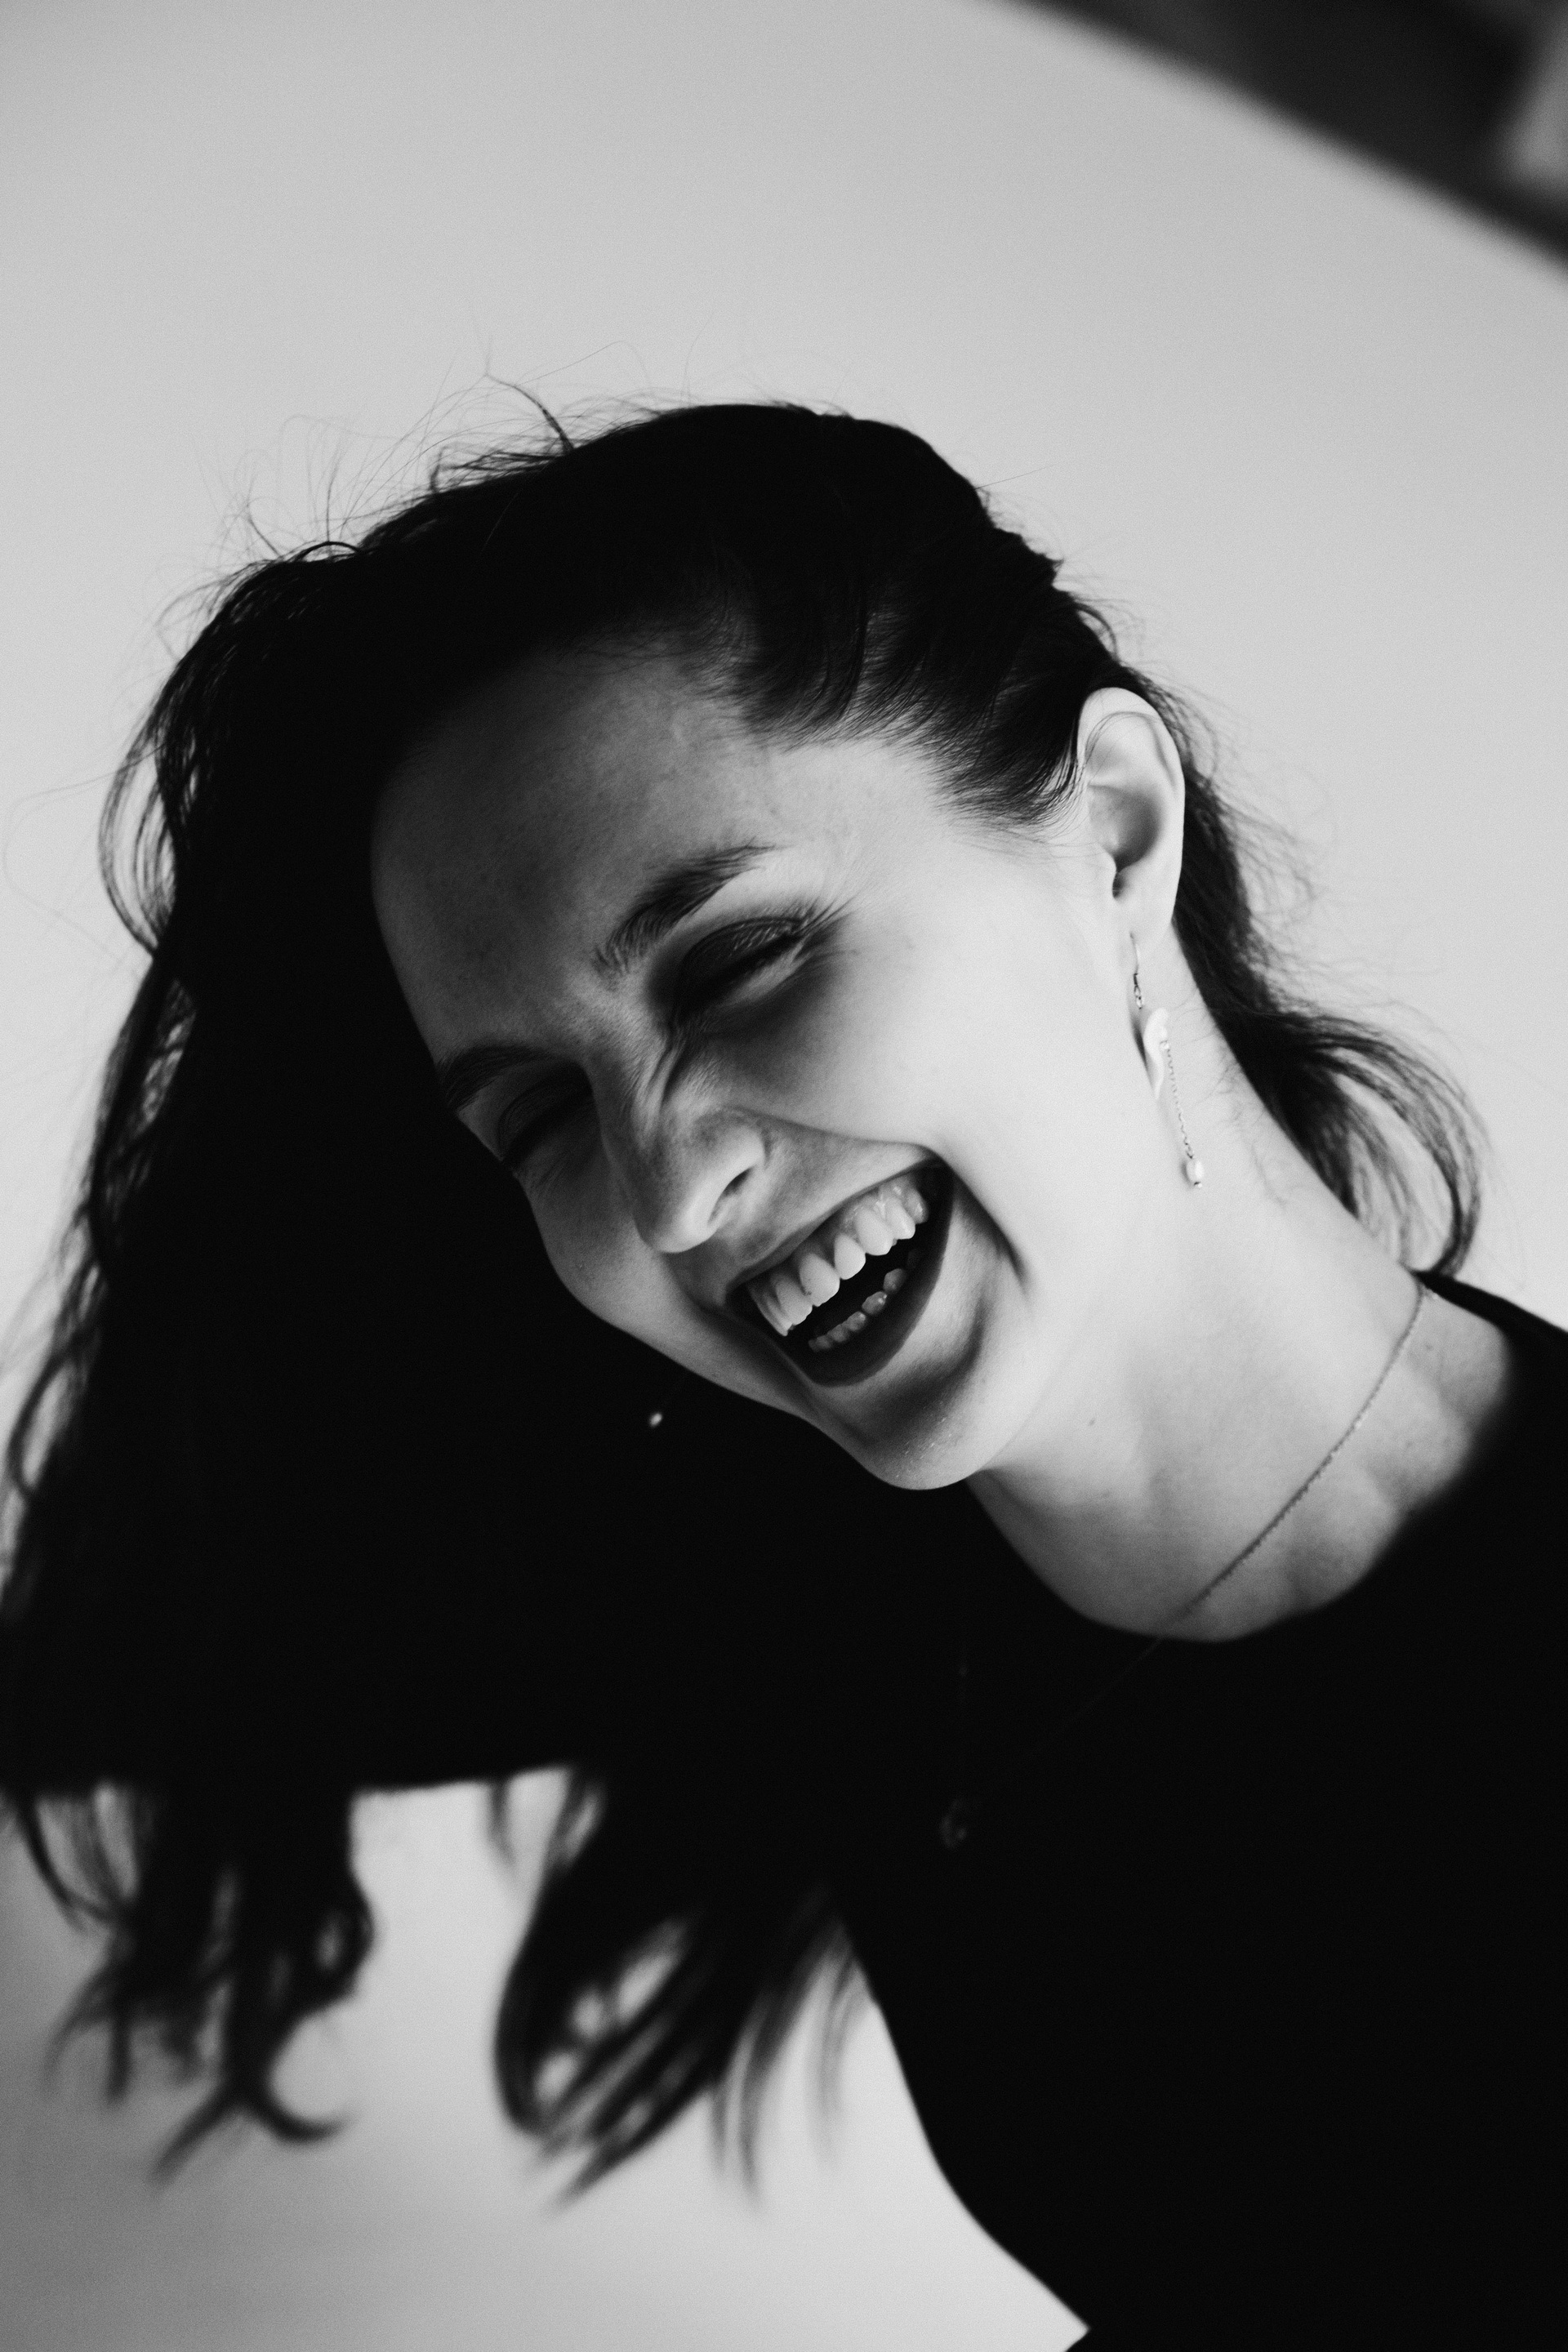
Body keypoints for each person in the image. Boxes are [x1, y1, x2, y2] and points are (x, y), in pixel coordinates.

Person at [0, 401, 1557, 2350]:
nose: (667, 1194)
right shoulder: (793, 1553)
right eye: (541, 1115)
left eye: (739, 962)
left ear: (1114, 833)